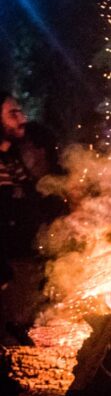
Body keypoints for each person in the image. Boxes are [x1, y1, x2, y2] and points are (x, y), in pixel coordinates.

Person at [0, 92, 53, 343]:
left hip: (24, 271)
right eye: (13, 114)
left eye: (21, 112)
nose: (22, 119)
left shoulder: (17, 158)